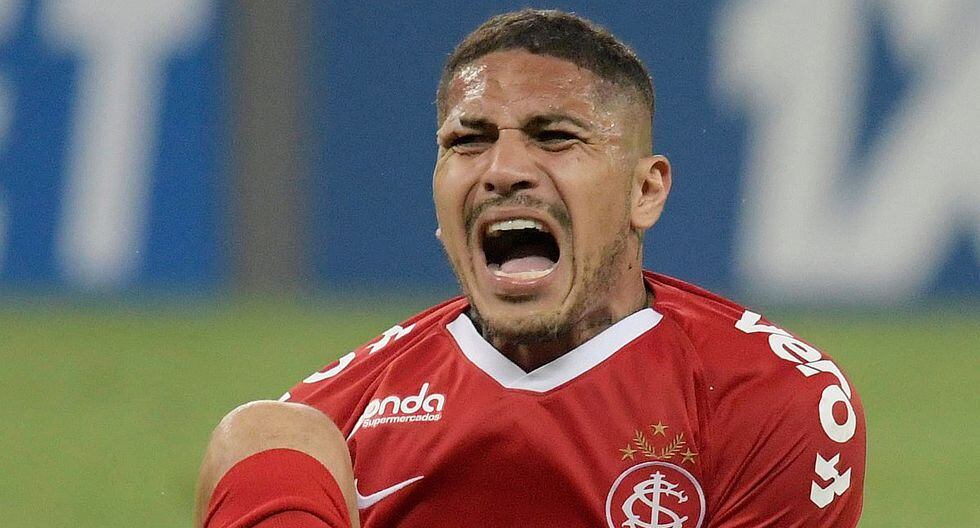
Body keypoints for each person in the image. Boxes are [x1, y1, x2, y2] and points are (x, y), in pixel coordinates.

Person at [197, 9, 865, 527]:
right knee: (260, 436)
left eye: (555, 137)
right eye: (468, 141)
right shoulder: (335, 424)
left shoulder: (768, 398)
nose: (504, 170)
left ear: (645, 192)